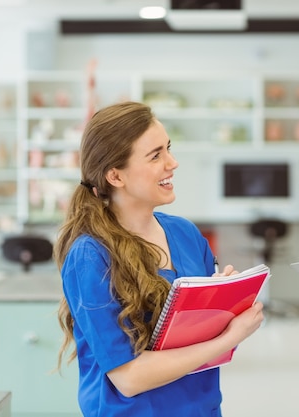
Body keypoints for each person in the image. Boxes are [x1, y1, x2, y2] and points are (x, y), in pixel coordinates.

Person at [54, 101, 264, 417]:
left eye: (168, 149)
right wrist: (230, 336)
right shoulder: (90, 256)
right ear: (115, 175)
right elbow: (129, 378)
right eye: (155, 156)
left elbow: (199, 342)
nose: (172, 163)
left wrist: (223, 305)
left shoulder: (186, 234)